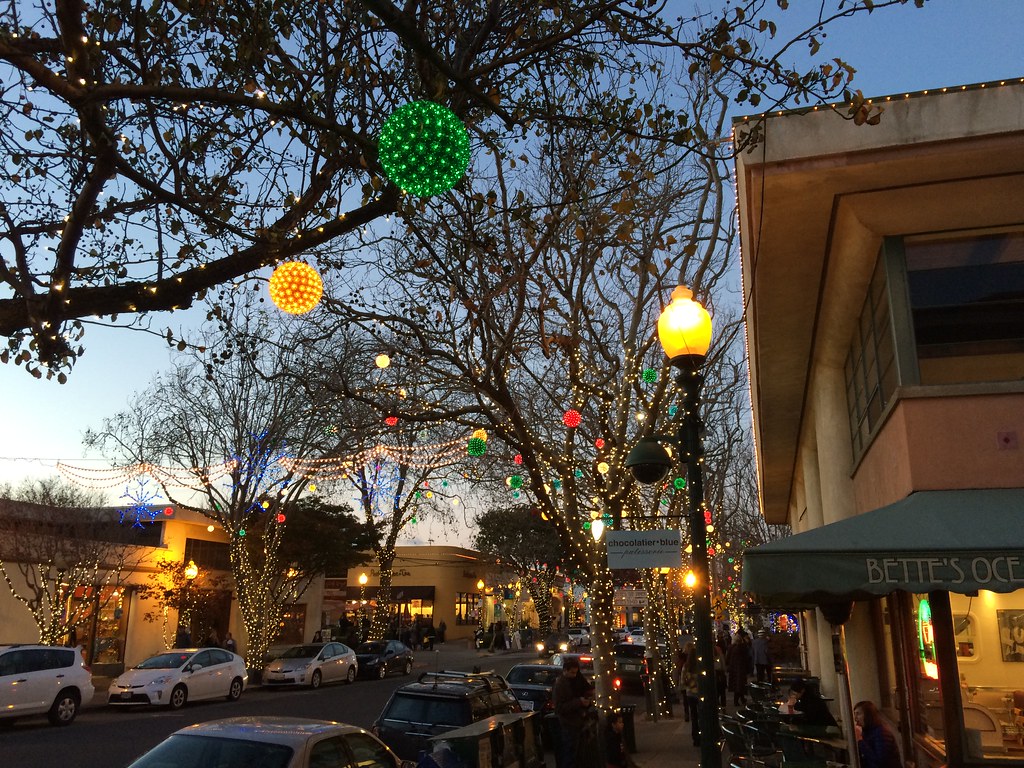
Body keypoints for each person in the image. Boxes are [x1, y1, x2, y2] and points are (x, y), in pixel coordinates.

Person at [553, 655, 596, 768]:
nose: (574, 675)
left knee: (578, 754)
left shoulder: (577, 680)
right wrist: (579, 702)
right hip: (569, 724)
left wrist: (587, 699)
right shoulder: (560, 685)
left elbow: (585, 688)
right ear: (565, 671)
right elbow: (559, 708)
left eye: (576, 673)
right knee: (570, 754)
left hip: (579, 722)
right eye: (572, 673)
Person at [854, 700, 902, 768]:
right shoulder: (866, 732)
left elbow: (880, 764)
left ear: (868, 715)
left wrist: (860, 740)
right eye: (854, 714)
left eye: (858, 714)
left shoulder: (882, 733)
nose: (855, 718)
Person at [680, 640, 701, 747]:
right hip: (700, 694)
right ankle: (702, 735)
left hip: (690, 694)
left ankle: (695, 737)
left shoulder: (686, 667)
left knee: (694, 716)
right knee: (701, 716)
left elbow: (682, 682)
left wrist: (689, 685)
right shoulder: (700, 666)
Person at [726, 631, 753, 706]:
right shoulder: (742, 647)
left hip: (733, 669)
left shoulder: (731, 647)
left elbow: (727, 658)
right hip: (740, 669)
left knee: (738, 685)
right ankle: (737, 700)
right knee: (740, 685)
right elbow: (747, 658)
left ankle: (742, 699)